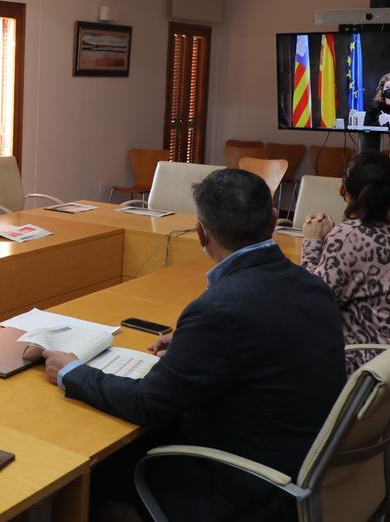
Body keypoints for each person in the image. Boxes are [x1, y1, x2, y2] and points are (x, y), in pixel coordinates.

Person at [41, 169, 345, 521]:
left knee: (98, 472)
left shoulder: (218, 309)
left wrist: (73, 372)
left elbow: (147, 403)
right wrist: (195, 346)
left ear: (201, 231)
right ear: (274, 220)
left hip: (250, 487)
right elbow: (261, 343)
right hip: (305, 468)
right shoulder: (313, 286)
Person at [301, 150, 390, 402]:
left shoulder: (348, 237)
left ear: (342, 191)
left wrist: (313, 242)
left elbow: (311, 304)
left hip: (380, 377)